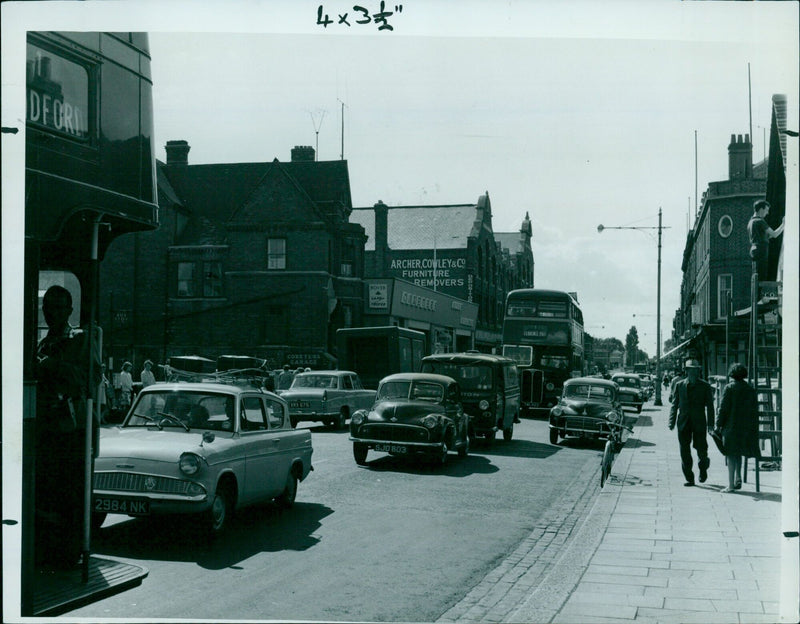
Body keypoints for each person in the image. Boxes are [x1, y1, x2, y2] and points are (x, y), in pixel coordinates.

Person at [34, 285, 101, 567]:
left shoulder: (80, 339)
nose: (52, 312)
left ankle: (67, 551)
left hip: (71, 430)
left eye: (60, 307)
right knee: (45, 490)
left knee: (67, 491)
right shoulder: (41, 343)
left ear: (70, 311)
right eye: (48, 306)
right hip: (45, 427)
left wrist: (51, 366)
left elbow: (91, 378)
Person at [715, 363, 761, 492]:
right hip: (745, 427)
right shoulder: (750, 389)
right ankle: (738, 477)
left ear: (732, 374)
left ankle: (730, 485)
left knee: (730, 455)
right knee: (738, 453)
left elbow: (723, 408)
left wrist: (718, 424)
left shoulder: (729, 388)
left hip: (731, 426)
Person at [668, 358, 715, 486]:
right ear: (687, 371)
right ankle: (689, 477)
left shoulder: (705, 386)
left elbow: (710, 407)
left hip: (699, 422)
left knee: (702, 449)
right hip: (683, 422)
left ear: (698, 371)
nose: (693, 373)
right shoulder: (680, 385)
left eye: (695, 370)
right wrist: (671, 421)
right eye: (690, 370)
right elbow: (674, 404)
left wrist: (711, 424)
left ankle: (703, 468)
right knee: (684, 450)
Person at [747, 199, 785, 279]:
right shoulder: (760, 221)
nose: (767, 213)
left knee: (756, 274)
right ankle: (760, 291)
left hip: (754, 249)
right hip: (761, 250)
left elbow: (766, 236)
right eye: (766, 210)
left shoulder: (751, 222)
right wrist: (783, 224)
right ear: (761, 209)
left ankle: (756, 290)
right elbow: (774, 234)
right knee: (762, 275)